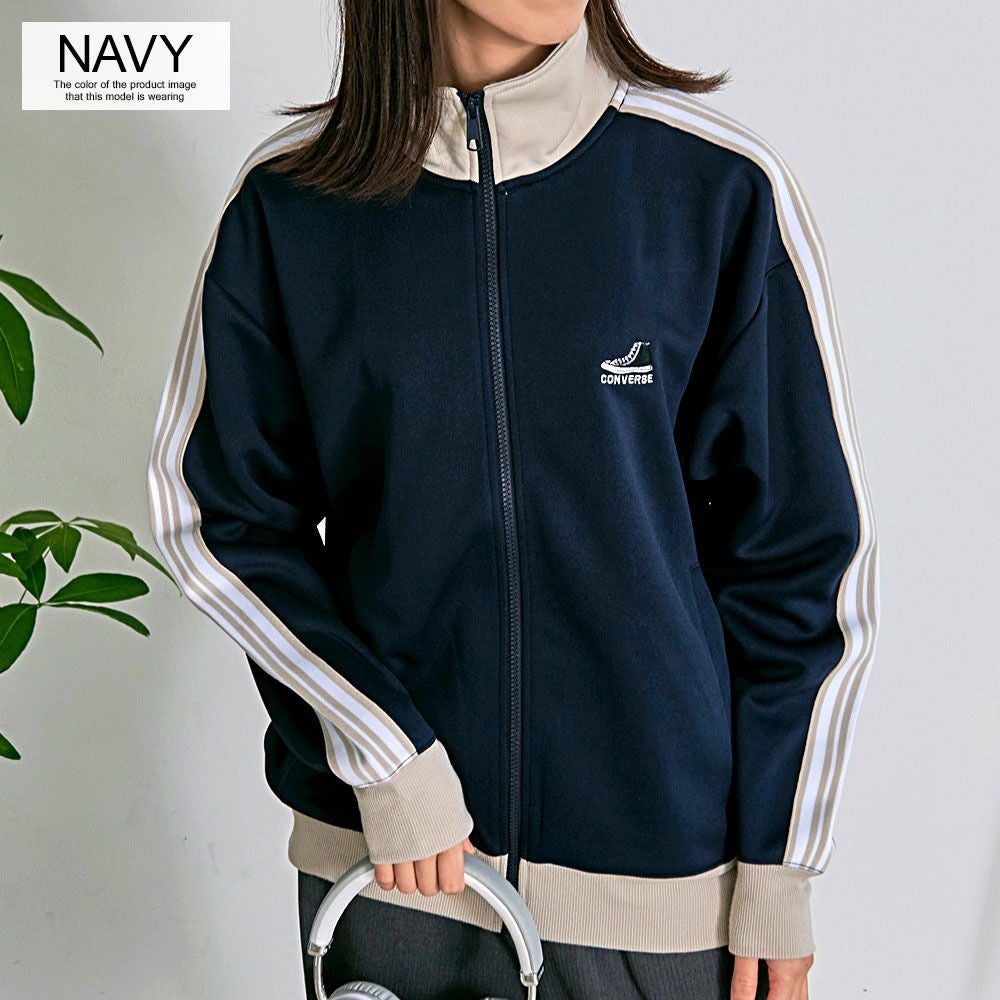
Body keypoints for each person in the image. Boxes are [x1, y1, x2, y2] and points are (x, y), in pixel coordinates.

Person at [146, 1, 880, 998]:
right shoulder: (291, 202)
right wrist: (385, 754)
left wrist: (780, 868)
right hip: (395, 872)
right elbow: (218, 517)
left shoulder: (713, 186)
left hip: (660, 894)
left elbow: (804, 561)